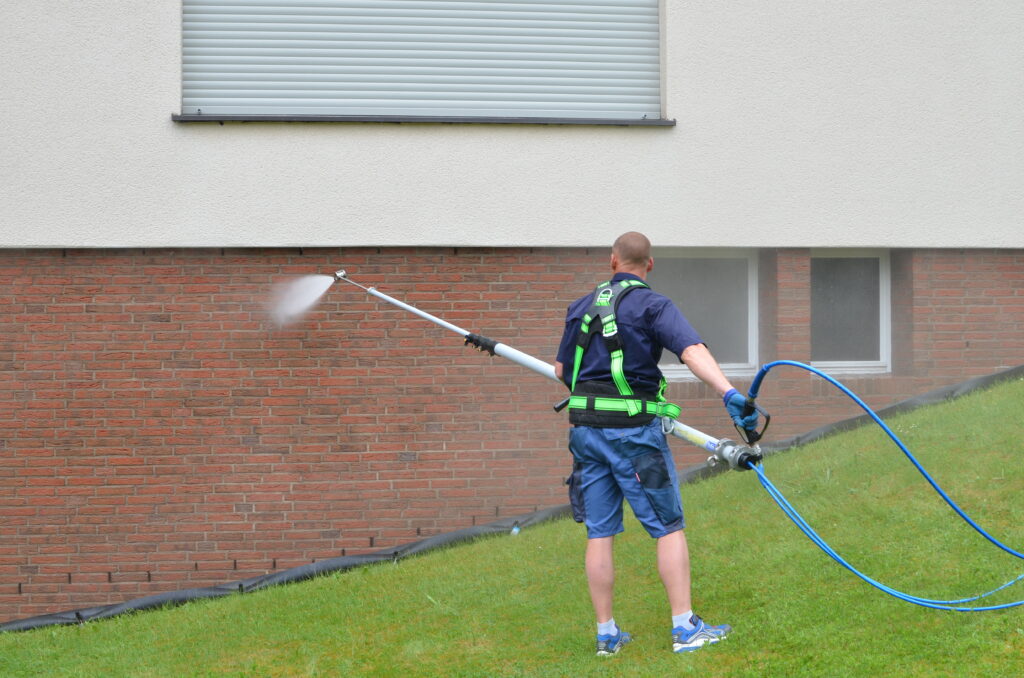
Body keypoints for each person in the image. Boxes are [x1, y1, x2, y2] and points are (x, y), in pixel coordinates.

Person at [554, 231, 758, 656]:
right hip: (632, 434)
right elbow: (691, 350)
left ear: (612, 261)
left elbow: (561, 370)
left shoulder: (581, 307)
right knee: (668, 527)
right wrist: (728, 393)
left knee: (600, 531)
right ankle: (685, 630)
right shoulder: (653, 304)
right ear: (649, 265)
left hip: (585, 433)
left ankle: (606, 635)